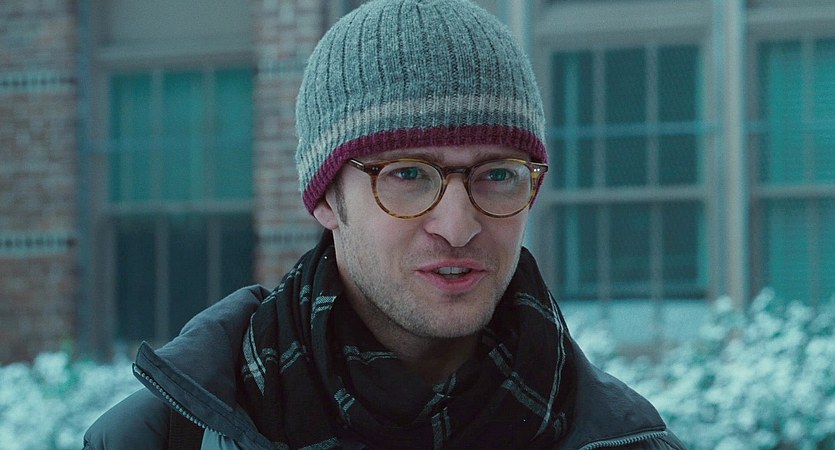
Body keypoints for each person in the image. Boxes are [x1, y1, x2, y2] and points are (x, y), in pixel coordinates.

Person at [84, 0, 686, 448]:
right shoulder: (167, 438)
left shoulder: (624, 440)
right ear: (325, 199)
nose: (458, 225)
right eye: (408, 174)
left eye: (497, 175)